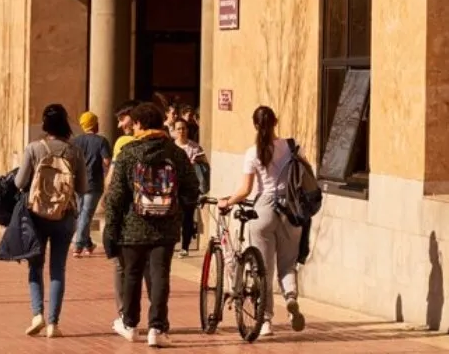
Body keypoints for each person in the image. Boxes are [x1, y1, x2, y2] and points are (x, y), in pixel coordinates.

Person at [104, 103, 199, 347]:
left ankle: (130, 324)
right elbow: (192, 188)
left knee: (132, 274)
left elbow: (115, 196)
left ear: (138, 124)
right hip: (166, 226)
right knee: (160, 276)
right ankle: (157, 328)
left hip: (132, 226)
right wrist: (179, 208)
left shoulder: (128, 153)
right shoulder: (175, 153)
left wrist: (111, 229)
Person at [217, 106, 306, 336]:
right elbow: (306, 176)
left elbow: (245, 190)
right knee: (288, 264)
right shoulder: (292, 146)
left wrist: (228, 201)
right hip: (291, 211)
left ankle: (265, 320)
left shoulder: (252, 153)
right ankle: (291, 298)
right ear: (276, 122)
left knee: (263, 269)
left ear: (255, 125)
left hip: (263, 210)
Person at [15, 104, 88, 338]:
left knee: (35, 266)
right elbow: (84, 188)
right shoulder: (74, 151)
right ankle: (53, 324)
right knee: (58, 268)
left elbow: (19, 182)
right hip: (64, 214)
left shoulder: (34, 148)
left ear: (45, 124)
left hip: (36, 214)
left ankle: (37, 314)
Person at [104, 99, 151, 323]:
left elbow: (112, 180)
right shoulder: (159, 140)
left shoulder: (123, 142)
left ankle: (125, 314)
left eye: (123, 119)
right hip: (155, 212)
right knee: (152, 267)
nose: (121, 124)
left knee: (123, 266)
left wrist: (107, 202)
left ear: (133, 118)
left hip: (129, 213)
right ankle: (157, 320)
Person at [71, 111, 111, 257]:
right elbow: (107, 161)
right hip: (94, 183)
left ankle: (88, 243)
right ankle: (78, 245)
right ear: (95, 124)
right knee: (86, 214)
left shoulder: (76, 141)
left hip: (78, 182)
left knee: (82, 214)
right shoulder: (101, 141)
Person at [173, 117, 207, 258]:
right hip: (172, 188)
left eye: (184, 128)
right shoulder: (170, 147)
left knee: (187, 217)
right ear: (174, 131)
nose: (181, 131)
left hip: (189, 188)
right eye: (179, 128)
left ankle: (185, 246)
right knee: (174, 217)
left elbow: (204, 166)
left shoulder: (195, 147)